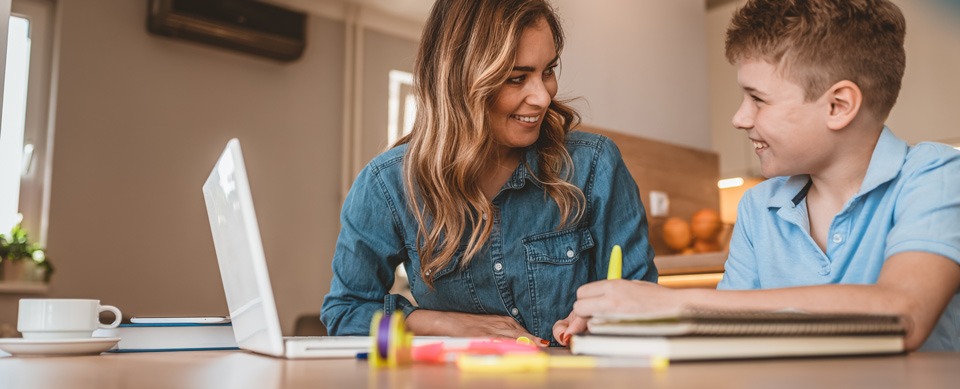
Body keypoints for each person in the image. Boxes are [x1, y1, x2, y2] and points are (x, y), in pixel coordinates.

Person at [555, 0, 960, 351]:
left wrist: (677, 302)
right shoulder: (758, 205)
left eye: (757, 99)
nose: (739, 117)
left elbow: (904, 313)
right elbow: (726, 331)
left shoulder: (937, 175)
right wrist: (627, 323)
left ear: (838, 105)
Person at [321, 0, 657, 345]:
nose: (542, 97)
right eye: (516, 78)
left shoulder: (595, 164)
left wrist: (606, 319)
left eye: (548, 71)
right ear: (459, 81)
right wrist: (444, 324)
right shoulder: (387, 184)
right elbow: (346, 311)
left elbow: (644, 307)